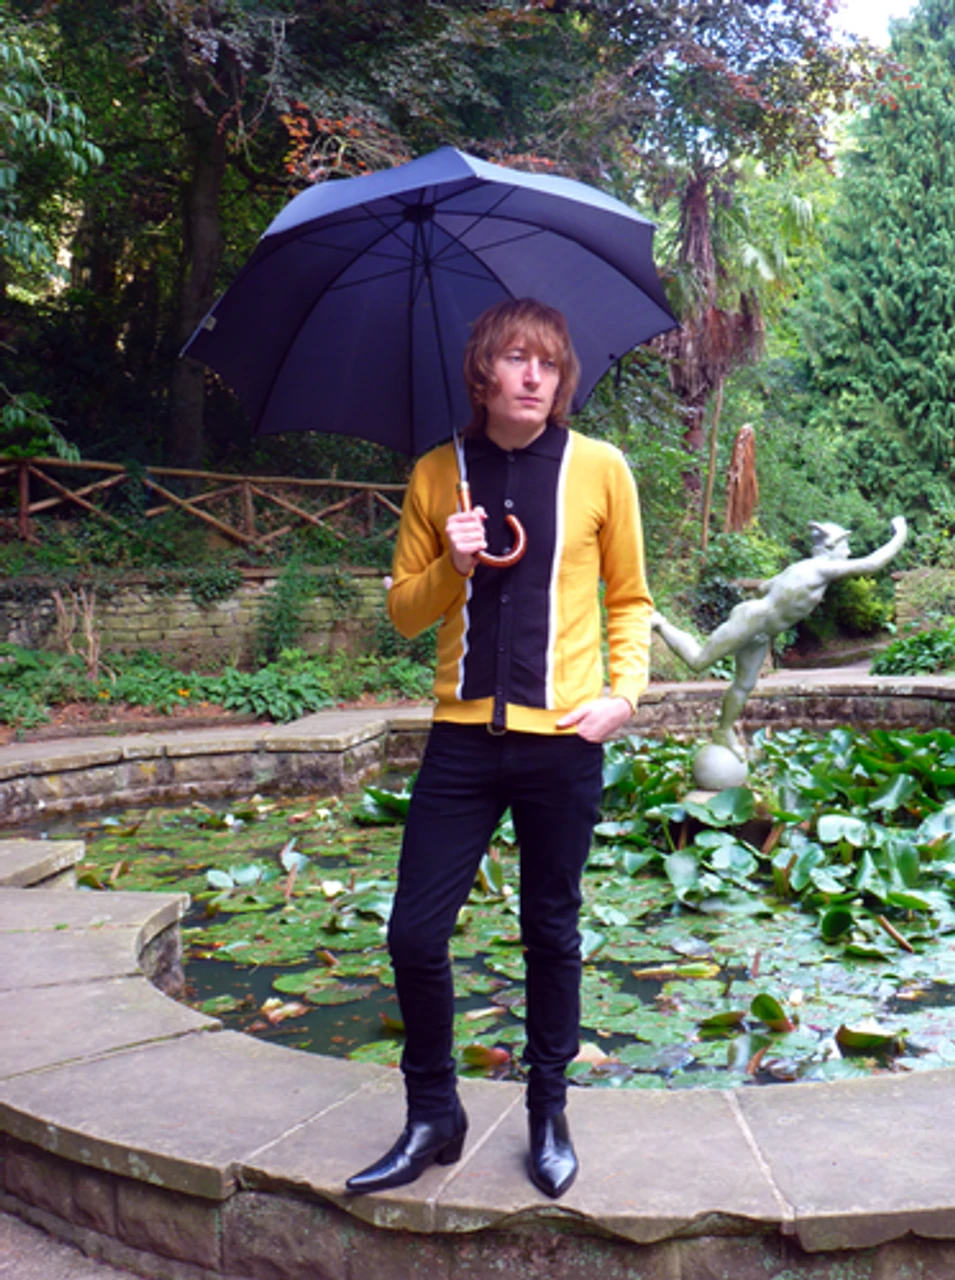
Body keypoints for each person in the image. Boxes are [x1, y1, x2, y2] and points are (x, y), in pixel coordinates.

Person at [345, 298, 652, 1200]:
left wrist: (621, 697)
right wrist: (454, 564)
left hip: (562, 741)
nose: (533, 377)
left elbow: (630, 599)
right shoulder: (437, 473)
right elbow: (404, 614)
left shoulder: (599, 468)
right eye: (516, 359)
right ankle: (432, 1113)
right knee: (413, 933)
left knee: (550, 931)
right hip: (460, 741)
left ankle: (547, 1111)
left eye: (547, 363)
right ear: (482, 373)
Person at [652, 516, 907, 757]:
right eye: (845, 547)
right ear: (830, 547)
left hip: (762, 632)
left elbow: (764, 587)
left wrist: (774, 607)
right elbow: (872, 563)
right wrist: (900, 532)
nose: (848, 552)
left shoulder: (802, 569)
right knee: (698, 661)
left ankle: (723, 731)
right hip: (752, 620)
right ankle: (660, 622)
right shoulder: (819, 568)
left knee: (744, 685)